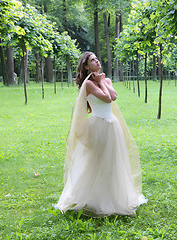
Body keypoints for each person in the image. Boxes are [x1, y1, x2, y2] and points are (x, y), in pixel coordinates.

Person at [55, 52, 147, 216]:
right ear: (86, 66)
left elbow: (113, 96)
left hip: (112, 124)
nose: (97, 61)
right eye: (92, 60)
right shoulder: (89, 84)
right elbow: (105, 98)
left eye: (97, 59)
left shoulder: (105, 80)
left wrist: (103, 81)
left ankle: (113, 195)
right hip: (99, 125)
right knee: (96, 161)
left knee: (113, 160)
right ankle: (93, 197)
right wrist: (100, 81)